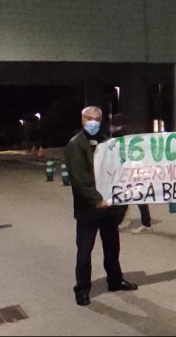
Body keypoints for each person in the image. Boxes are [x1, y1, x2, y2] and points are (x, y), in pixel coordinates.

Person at [66, 106, 137, 307]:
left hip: (108, 208)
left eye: (97, 118)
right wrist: (97, 199)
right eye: (89, 118)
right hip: (88, 210)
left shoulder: (107, 141)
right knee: (85, 252)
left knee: (112, 247)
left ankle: (115, 280)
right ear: (82, 120)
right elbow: (80, 180)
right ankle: (82, 289)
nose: (93, 122)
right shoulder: (75, 145)